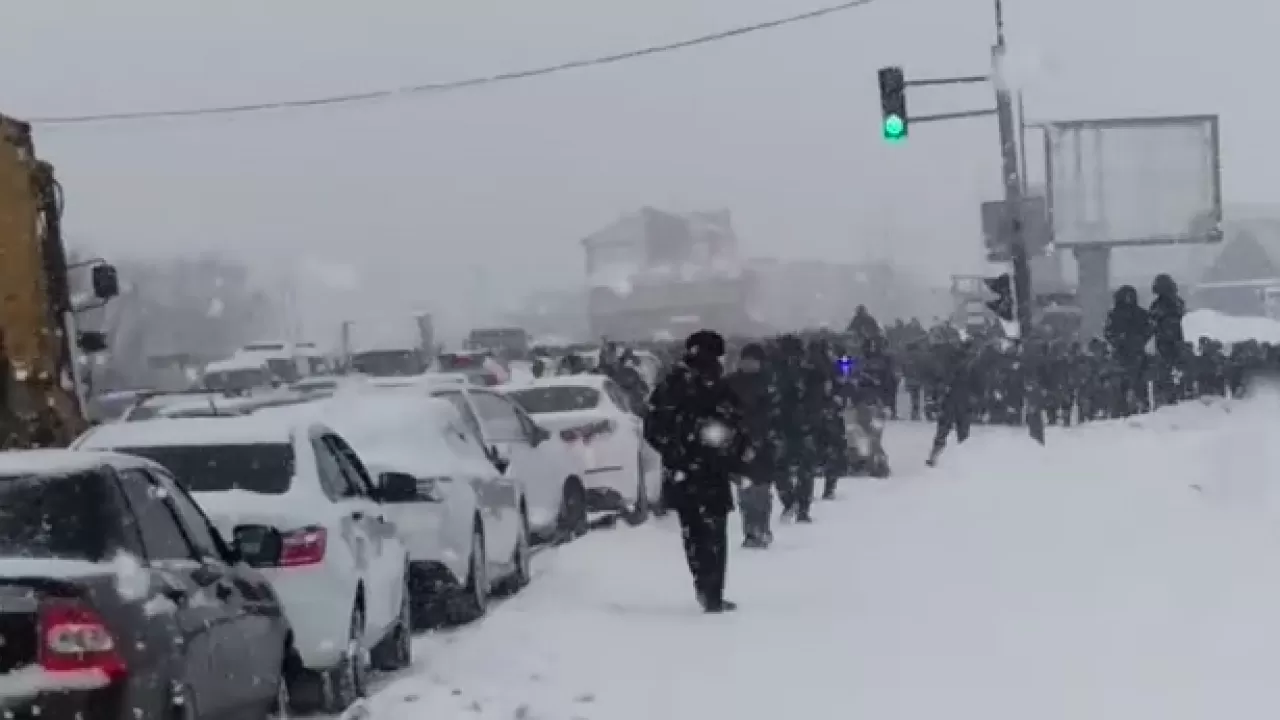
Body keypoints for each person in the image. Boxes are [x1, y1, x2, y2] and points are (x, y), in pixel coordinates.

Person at [644, 330, 750, 613]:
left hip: (687, 472)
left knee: (694, 533)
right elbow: (737, 423)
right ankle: (711, 590)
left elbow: (653, 427)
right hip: (708, 470)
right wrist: (730, 453)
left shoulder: (672, 384)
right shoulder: (706, 385)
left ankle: (705, 587)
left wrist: (675, 453)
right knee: (712, 533)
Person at [725, 343, 776, 548]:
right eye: (745, 360)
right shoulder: (729, 383)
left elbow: (775, 413)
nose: (749, 364)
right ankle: (750, 530)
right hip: (739, 444)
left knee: (762, 489)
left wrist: (765, 436)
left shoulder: (769, 384)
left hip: (764, 444)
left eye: (753, 360)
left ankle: (762, 527)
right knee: (745, 491)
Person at [926, 338, 980, 467]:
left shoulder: (949, 362)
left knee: (942, 431)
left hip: (949, 400)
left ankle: (934, 456)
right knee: (963, 433)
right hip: (964, 401)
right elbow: (978, 384)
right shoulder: (973, 363)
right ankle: (964, 458)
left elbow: (939, 380)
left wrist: (935, 398)